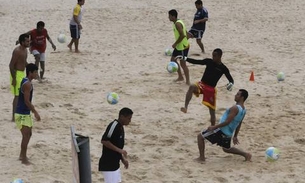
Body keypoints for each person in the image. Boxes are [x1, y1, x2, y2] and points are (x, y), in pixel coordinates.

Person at [176, 48, 234, 125]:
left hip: (211, 89)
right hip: (202, 85)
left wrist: (231, 84)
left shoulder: (223, 68)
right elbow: (196, 62)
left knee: (212, 112)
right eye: (213, 55)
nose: (213, 57)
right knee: (192, 86)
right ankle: (185, 107)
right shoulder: (209, 61)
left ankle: (213, 127)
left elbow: (231, 79)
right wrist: (184, 58)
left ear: (220, 56)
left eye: (215, 56)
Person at [196, 89, 251, 162]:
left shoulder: (235, 108)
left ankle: (201, 158)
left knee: (200, 136)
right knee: (226, 149)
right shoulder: (244, 110)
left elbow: (227, 121)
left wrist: (214, 127)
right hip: (228, 132)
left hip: (221, 130)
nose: (235, 95)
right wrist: (235, 135)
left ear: (242, 97)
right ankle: (246, 154)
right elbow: (239, 123)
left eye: (237, 94)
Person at [15, 63, 41, 165]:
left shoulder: (26, 81)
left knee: (28, 134)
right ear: (30, 73)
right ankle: (23, 158)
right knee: (26, 136)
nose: (36, 74)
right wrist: (35, 112)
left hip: (24, 112)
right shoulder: (27, 84)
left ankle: (22, 155)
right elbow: (27, 101)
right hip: (22, 113)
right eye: (35, 72)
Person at [99, 107, 133, 183]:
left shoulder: (121, 128)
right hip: (108, 164)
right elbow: (104, 140)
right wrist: (120, 150)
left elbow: (117, 146)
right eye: (128, 118)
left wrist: (123, 160)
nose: (130, 121)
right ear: (121, 117)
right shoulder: (114, 126)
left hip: (115, 164)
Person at [9, 34, 30, 122]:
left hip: (22, 74)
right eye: (27, 41)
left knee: (22, 95)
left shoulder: (25, 50)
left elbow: (24, 61)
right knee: (17, 96)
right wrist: (14, 78)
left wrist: (30, 67)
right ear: (22, 42)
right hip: (16, 74)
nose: (29, 42)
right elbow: (11, 65)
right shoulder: (17, 51)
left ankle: (19, 114)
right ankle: (14, 117)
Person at [168, 9, 191, 85]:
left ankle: (188, 81)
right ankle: (180, 77)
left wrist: (175, 43)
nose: (168, 17)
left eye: (169, 16)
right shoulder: (178, 22)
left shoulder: (177, 24)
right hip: (179, 46)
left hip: (182, 47)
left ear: (173, 16)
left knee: (183, 64)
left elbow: (182, 35)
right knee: (173, 60)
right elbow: (186, 32)